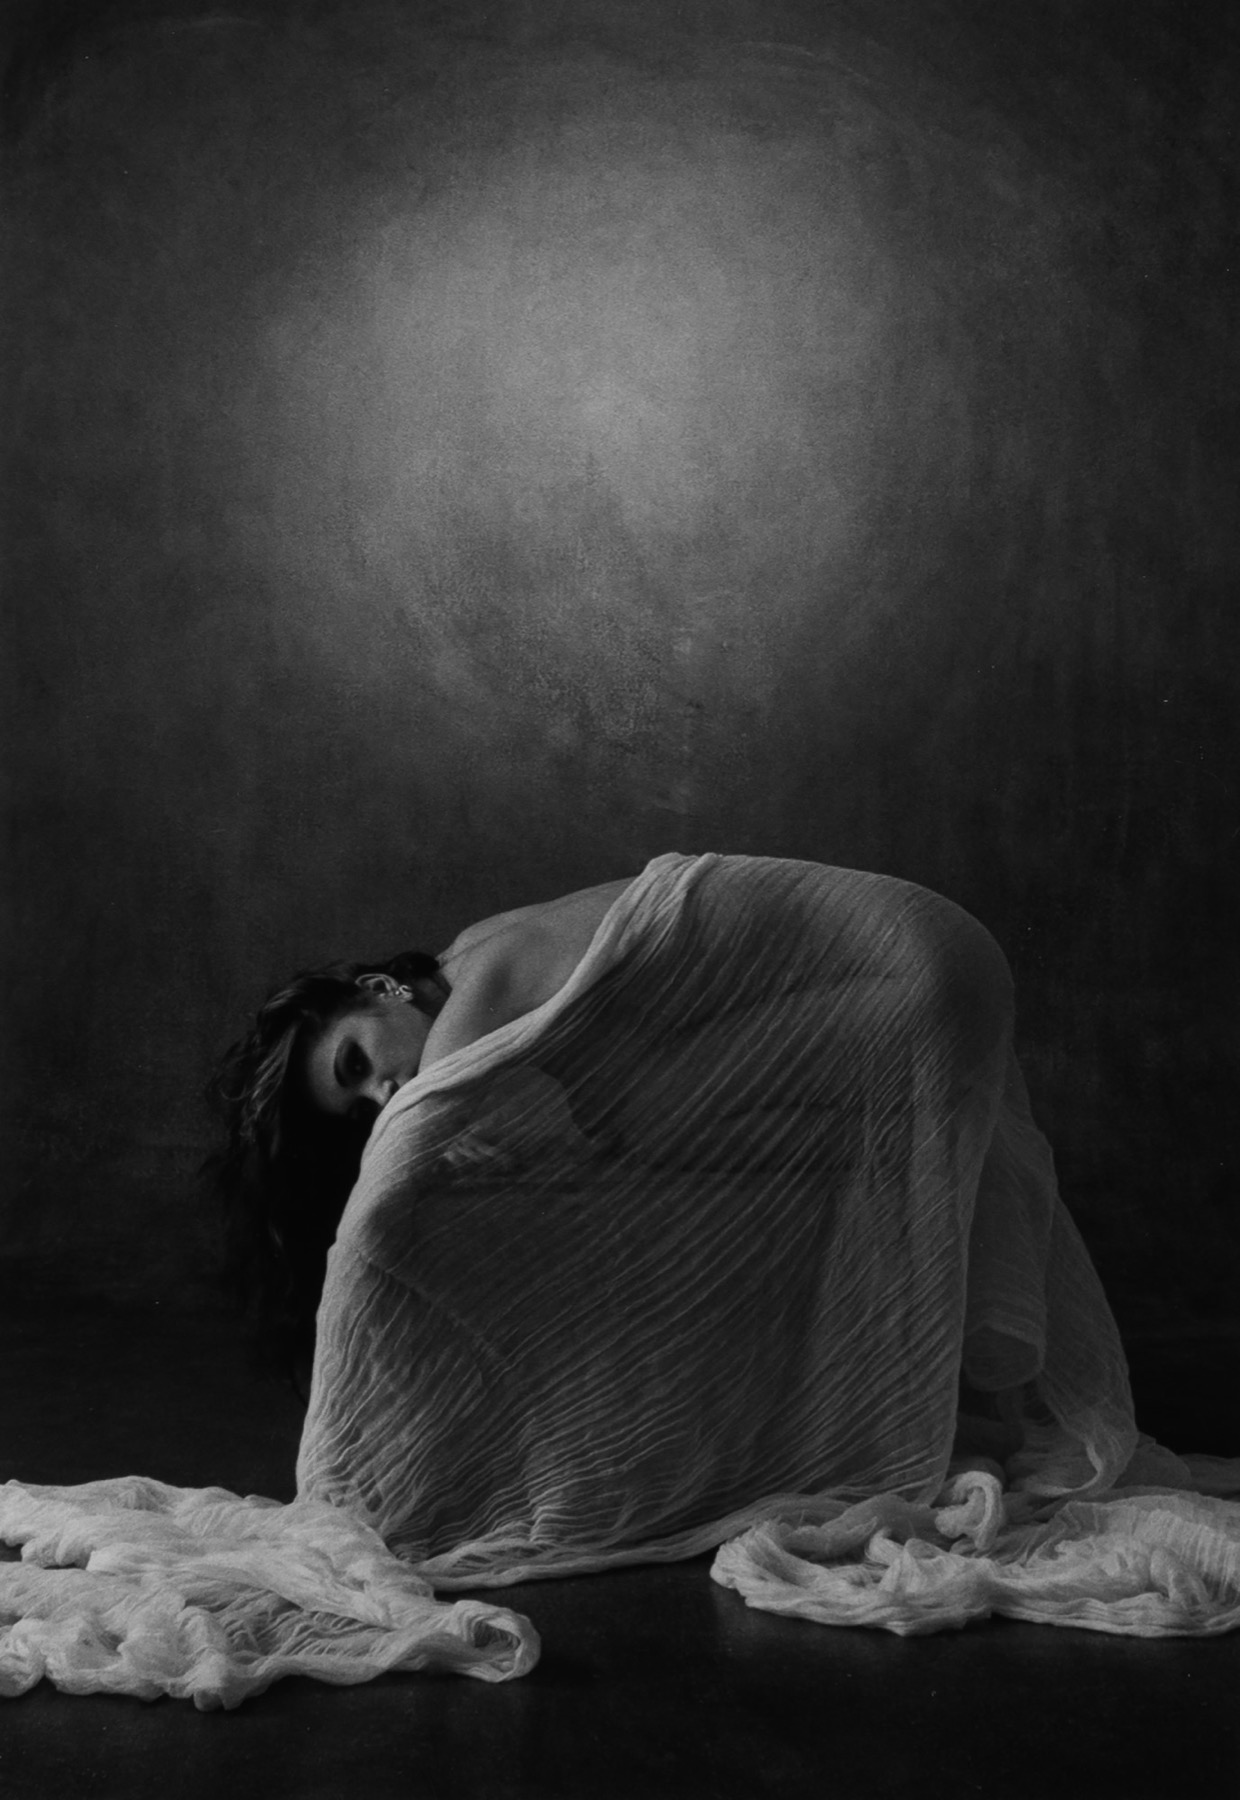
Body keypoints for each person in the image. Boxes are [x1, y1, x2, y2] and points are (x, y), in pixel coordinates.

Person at [208, 877, 631, 1374]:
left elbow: (374, 1213)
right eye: (363, 1110)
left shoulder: (461, 1015)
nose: (383, 1097)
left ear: (380, 989)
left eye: (356, 1063)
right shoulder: (465, 954)